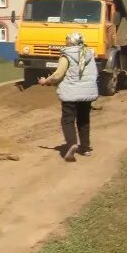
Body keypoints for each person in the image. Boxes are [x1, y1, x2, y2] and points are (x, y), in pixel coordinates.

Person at [39, 32, 98, 162]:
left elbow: (58, 74)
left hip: (71, 93)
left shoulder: (66, 55)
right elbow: (94, 73)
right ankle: (86, 148)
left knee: (68, 120)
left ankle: (72, 144)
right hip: (86, 93)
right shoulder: (88, 54)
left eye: (67, 39)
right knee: (84, 120)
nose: (65, 41)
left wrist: (46, 81)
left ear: (71, 42)